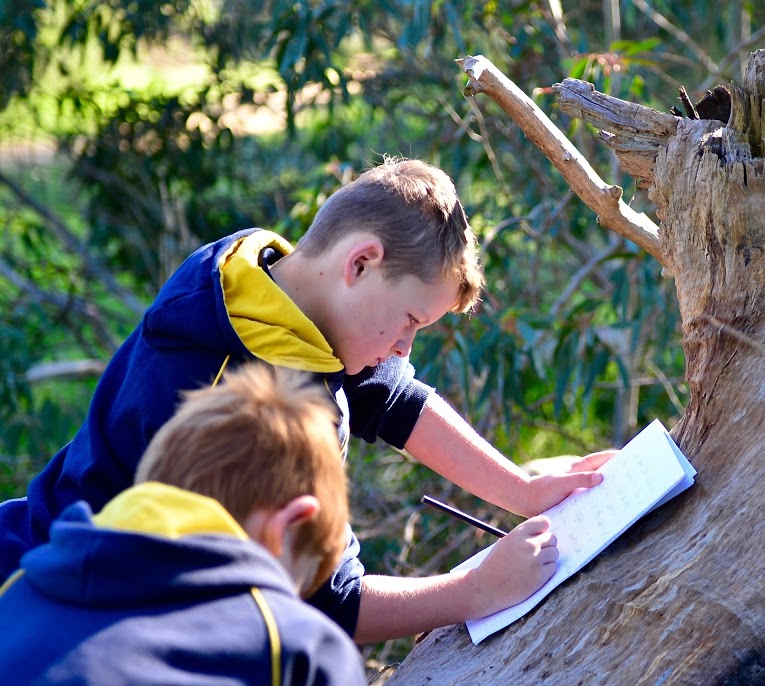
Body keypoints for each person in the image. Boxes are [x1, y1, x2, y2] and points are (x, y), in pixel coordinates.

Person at [0, 157, 614, 643]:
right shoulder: (249, 403)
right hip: (59, 612)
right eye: (407, 320)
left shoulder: (266, 291)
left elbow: (387, 397)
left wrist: (523, 490)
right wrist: (476, 591)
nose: (404, 348)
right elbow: (321, 598)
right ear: (361, 262)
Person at [0, 363, 367, 684]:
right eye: (293, 586)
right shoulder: (301, 649)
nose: (281, 602)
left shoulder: (18, 591)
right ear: (290, 523)